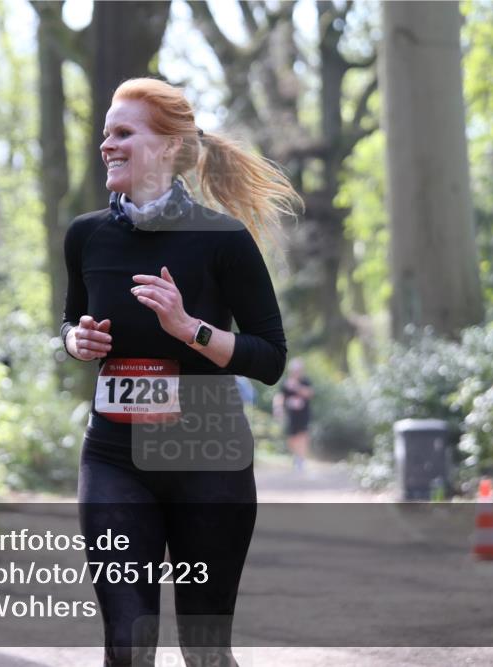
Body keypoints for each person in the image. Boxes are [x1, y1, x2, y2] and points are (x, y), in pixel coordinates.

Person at [61, 78, 301, 666]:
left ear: (169, 146)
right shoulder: (86, 236)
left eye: (123, 133)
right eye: (105, 134)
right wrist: (76, 341)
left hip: (208, 455)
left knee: (205, 652)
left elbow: (270, 357)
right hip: (115, 456)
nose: (107, 145)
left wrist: (190, 327)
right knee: (128, 647)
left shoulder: (223, 239)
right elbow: (68, 322)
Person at [274, 358, 314, 472]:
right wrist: (278, 408)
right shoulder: (286, 383)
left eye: (298, 370)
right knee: (291, 439)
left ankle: (301, 459)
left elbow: (310, 393)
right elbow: (280, 396)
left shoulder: (305, 381)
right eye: (294, 370)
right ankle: (296, 456)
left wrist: (296, 387)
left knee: (302, 436)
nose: (296, 372)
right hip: (291, 415)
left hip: (304, 415)